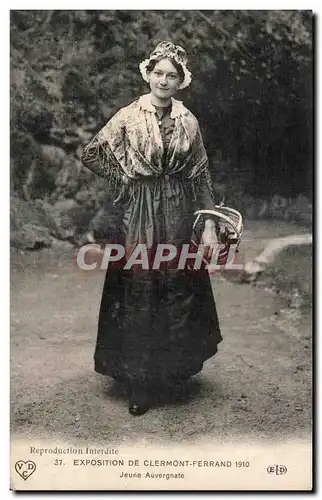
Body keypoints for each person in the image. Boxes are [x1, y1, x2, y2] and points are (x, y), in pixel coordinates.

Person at [81, 41, 223, 416]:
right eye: (158, 73)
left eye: (171, 75)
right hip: (138, 212)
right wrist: (124, 180)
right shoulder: (128, 116)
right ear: (148, 74)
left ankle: (170, 375)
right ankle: (140, 383)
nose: (164, 80)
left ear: (181, 81)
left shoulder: (188, 121)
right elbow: (92, 152)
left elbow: (201, 174)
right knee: (140, 288)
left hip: (178, 210)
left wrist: (208, 225)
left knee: (177, 286)